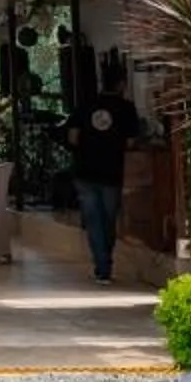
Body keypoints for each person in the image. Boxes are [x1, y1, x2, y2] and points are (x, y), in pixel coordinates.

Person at [69, 91, 141, 284]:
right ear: (122, 84)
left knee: (94, 222)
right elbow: (131, 141)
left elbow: (73, 137)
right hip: (112, 172)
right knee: (109, 220)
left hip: (85, 171)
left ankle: (102, 267)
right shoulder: (126, 108)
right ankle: (104, 263)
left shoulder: (85, 103)